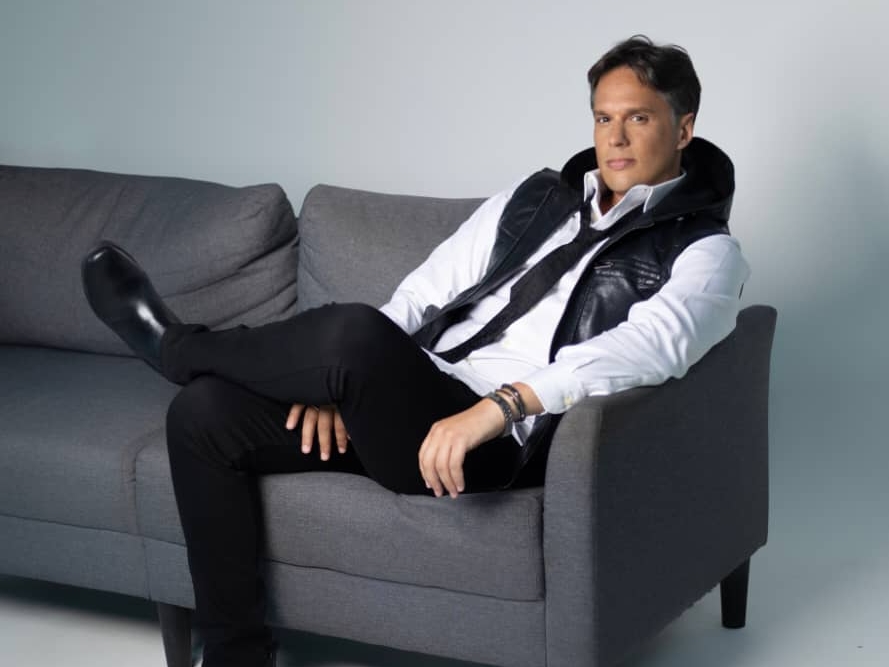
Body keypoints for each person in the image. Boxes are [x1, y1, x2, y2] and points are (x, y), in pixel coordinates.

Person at [82, 35, 749, 667]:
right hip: (412, 402)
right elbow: (425, 291)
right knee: (202, 415)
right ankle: (236, 656)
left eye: (638, 118)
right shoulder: (535, 199)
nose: (615, 137)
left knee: (352, 333)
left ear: (683, 128)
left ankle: (178, 347)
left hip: (494, 444)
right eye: (603, 118)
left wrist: (497, 407)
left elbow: (649, 347)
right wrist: (332, 383)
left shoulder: (705, 251)